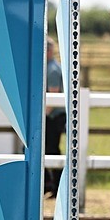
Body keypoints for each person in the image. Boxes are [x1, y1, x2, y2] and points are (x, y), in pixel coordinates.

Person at [44, 38, 64, 198]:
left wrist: (41, 117)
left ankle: (54, 185)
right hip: (53, 116)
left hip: (52, 117)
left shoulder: (51, 70)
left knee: (51, 150)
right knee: (51, 150)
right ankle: (51, 185)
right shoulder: (52, 68)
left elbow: (53, 95)